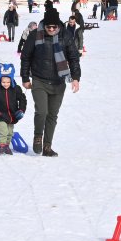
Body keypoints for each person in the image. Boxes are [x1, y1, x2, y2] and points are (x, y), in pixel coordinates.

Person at [19, 12, 81, 156]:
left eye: (54, 27)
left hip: (58, 82)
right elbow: (25, 57)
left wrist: (76, 77)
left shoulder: (65, 36)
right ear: (44, 25)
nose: (51, 29)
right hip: (39, 79)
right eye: (49, 27)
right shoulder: (35, 35)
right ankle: (38, 136)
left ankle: (47, 146)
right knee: (42, 112)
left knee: (52, 115)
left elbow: (73, 58)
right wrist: (25, 78)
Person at [0, 64, 28, 155]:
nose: (6, 84)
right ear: (0, 80)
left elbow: (22, 100)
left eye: (8, 82)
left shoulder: (16, 89)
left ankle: (6, 146)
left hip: (13, 115)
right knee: (4, 130)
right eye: (3, 82)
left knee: (9, 132)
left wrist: (21, 110)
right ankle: (1, 146)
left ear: (11, 80)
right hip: (1, 114)